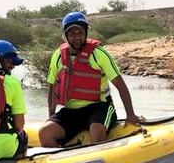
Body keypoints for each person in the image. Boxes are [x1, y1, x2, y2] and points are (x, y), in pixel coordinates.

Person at [39, 12, 143, 147]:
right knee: (45, 133)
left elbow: (120, 85)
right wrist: (51, 116)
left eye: (80, 32)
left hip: (99, 107)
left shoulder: (99, 54)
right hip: (71, 110)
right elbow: (52, 88)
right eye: (72, 33)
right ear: (65, 36)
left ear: (86, 33)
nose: (77, 37)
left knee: (96, 131)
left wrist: (130, 114)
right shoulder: (58, 56)